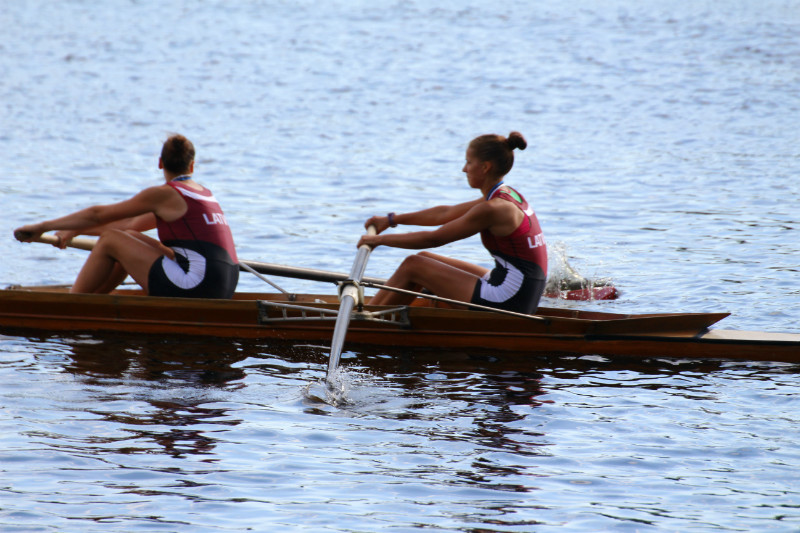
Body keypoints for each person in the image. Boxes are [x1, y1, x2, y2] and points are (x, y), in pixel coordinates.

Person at [14, 134, 239, 298]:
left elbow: (97, 215)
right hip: (224, 285)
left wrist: (42, 227)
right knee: (127, 236)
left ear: (160, 163)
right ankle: (94, 300)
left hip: (196, 285)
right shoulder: (204, 194)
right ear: (192, 166)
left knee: (111, 239)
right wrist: (75, 230)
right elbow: (129, 224)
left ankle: (71, 304)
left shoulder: (165, 195)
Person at [358, 131, 547, 314]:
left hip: (511, 300)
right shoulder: (506, 195)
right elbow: (445, 213)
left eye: (469, 162)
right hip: (517, 288)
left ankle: (363, 321)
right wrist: (391, 220)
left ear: (485, 167)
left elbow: (434, 239)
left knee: (413, 265)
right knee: (425, 258)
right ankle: (382, 311)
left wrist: (378, 241)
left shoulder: (493, 209)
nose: (464, 169)